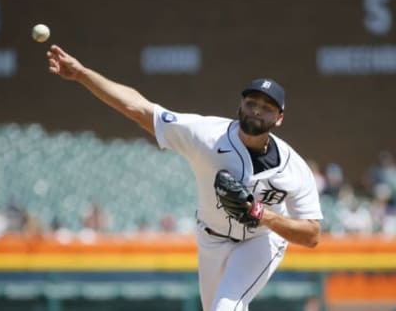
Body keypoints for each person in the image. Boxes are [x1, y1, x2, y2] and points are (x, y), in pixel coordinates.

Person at [46, 45, 323, 311]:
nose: (257, 110)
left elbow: (312, 235)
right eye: (252, 102)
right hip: (211, 239)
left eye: (268, 107)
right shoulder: (206, 135)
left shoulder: (293, 168)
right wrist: (82, 75)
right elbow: (139, 109)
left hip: (260, 241)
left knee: (227, 308)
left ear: (280, 118)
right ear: (240, 105)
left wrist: (264, 216)